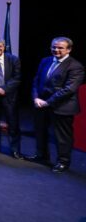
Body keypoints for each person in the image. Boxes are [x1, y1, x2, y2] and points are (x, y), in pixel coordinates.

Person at [29, 37, 85, 173]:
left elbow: (69, 89)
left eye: (60, 48)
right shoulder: (45, 60)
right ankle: (41, 156)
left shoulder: (75, 66)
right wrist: (36, 98)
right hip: (41, 104)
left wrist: (48, 102)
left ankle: (63, 162)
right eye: (54, 47)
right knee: (40, 131)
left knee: (62, 137)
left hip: (62, 106)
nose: (56, 50)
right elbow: (36, 80)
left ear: (69, 49)